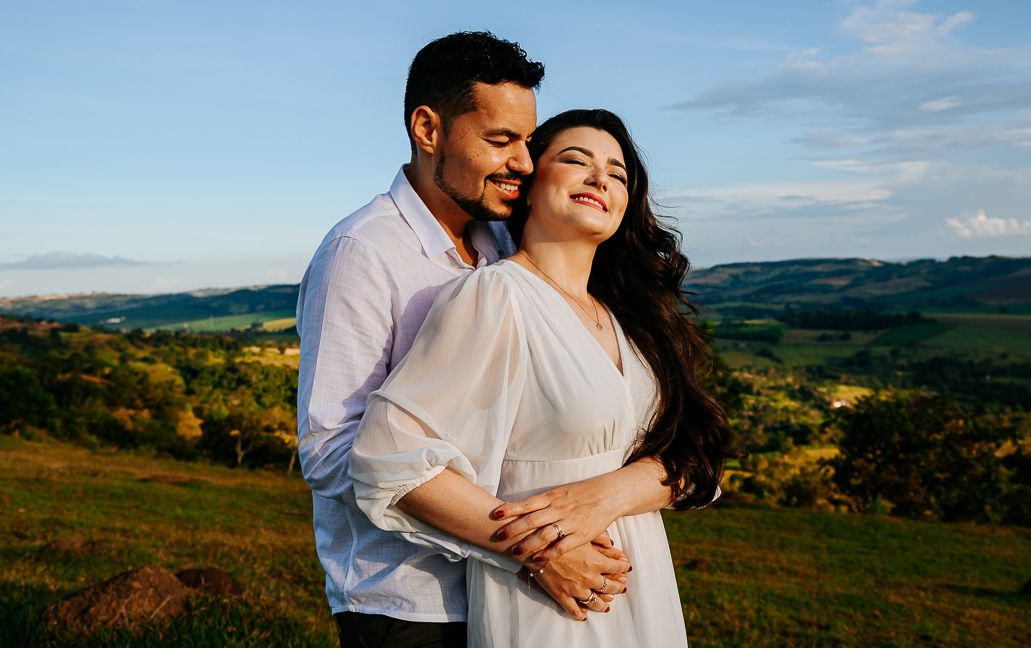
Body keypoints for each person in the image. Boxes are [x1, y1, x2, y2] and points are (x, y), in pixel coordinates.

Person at [297, 35, 672, 648]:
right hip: (411, 599)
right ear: (428, 129)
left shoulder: (501, 241)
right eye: (500, 141)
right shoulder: (362, 252)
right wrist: (533, 547)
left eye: (528, 141)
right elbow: (333, 446)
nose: (523, 162)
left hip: (527, 595)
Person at [350, 109, 738, 647]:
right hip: (548, 605)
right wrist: (539, 551)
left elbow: (698, 462)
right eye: (577, 161)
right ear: (529, 186)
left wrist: (611, 494)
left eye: (618, 174)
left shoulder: (631, 318)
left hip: (643, 594)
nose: (600, 178)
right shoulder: (494, 297)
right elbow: (388, 456)